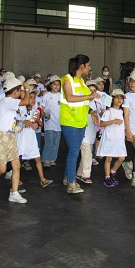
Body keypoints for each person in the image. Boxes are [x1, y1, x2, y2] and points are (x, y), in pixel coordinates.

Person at [0, 77, 30, 204]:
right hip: (1, 138)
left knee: (16, 165)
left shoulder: (9, 102)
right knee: (2, 170)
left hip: (10, 136)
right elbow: (26, 101)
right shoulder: (7, 100)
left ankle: (14, 193)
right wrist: (27, 89)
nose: (21, 93)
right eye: (19, 90)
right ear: (14, 92)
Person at [60, 54, 100, 194]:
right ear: (82, 66)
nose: (89, 68)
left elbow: (83, 102)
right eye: (88, 65)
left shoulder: (82, 81)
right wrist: (89, 96)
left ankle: (67, 177)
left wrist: (92, 111)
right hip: (69, 122)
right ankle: (71, 183)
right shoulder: (67, 79)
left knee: (73, 151)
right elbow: (70, 98)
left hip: (80, 122)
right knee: (73, 151)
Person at [16, 90, 53, 188]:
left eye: (33, 98)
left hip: (31, 139)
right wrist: (23, 122)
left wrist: (37, 122)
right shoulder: (19, 110)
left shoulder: (34, 112)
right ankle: (16, 179)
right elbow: (14, 125)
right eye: (30, 97)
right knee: (18, 160)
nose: (32, 100)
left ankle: (42, 179)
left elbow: (39, 125)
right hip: (20, 139)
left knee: (37, 158)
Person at [98, 89, 127, 188]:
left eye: (121, 98)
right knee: (109, 158)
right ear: (112, 99)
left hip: (119, 138)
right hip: (109, 138)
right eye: (117, 97)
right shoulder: (109, 111)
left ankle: (113, 171)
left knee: (122, 157)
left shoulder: (123, 112)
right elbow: (101, 123)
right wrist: (113, 121)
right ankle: (107, 177)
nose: (119, 100)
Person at [76, 80, 100, 184]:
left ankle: (79, 173)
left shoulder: (96, 104)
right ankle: (86, 175)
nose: (92, 93)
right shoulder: (81, 103)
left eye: (94, 91)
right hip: (83, 132)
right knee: (87, 154)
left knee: (86, 153)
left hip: (92, 133)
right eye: (90, 91)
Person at [40, 75, 61, 167]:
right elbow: (42, 109)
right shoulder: (46, 96)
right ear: (50, 85)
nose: (56, 86)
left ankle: (52, 158)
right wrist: (44, 117)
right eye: (54, 84)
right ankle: (45, 159)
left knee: (56, 142)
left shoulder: (61, 96)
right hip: (49, 123)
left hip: (59, 123)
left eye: (58, 84)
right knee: (49, 141)